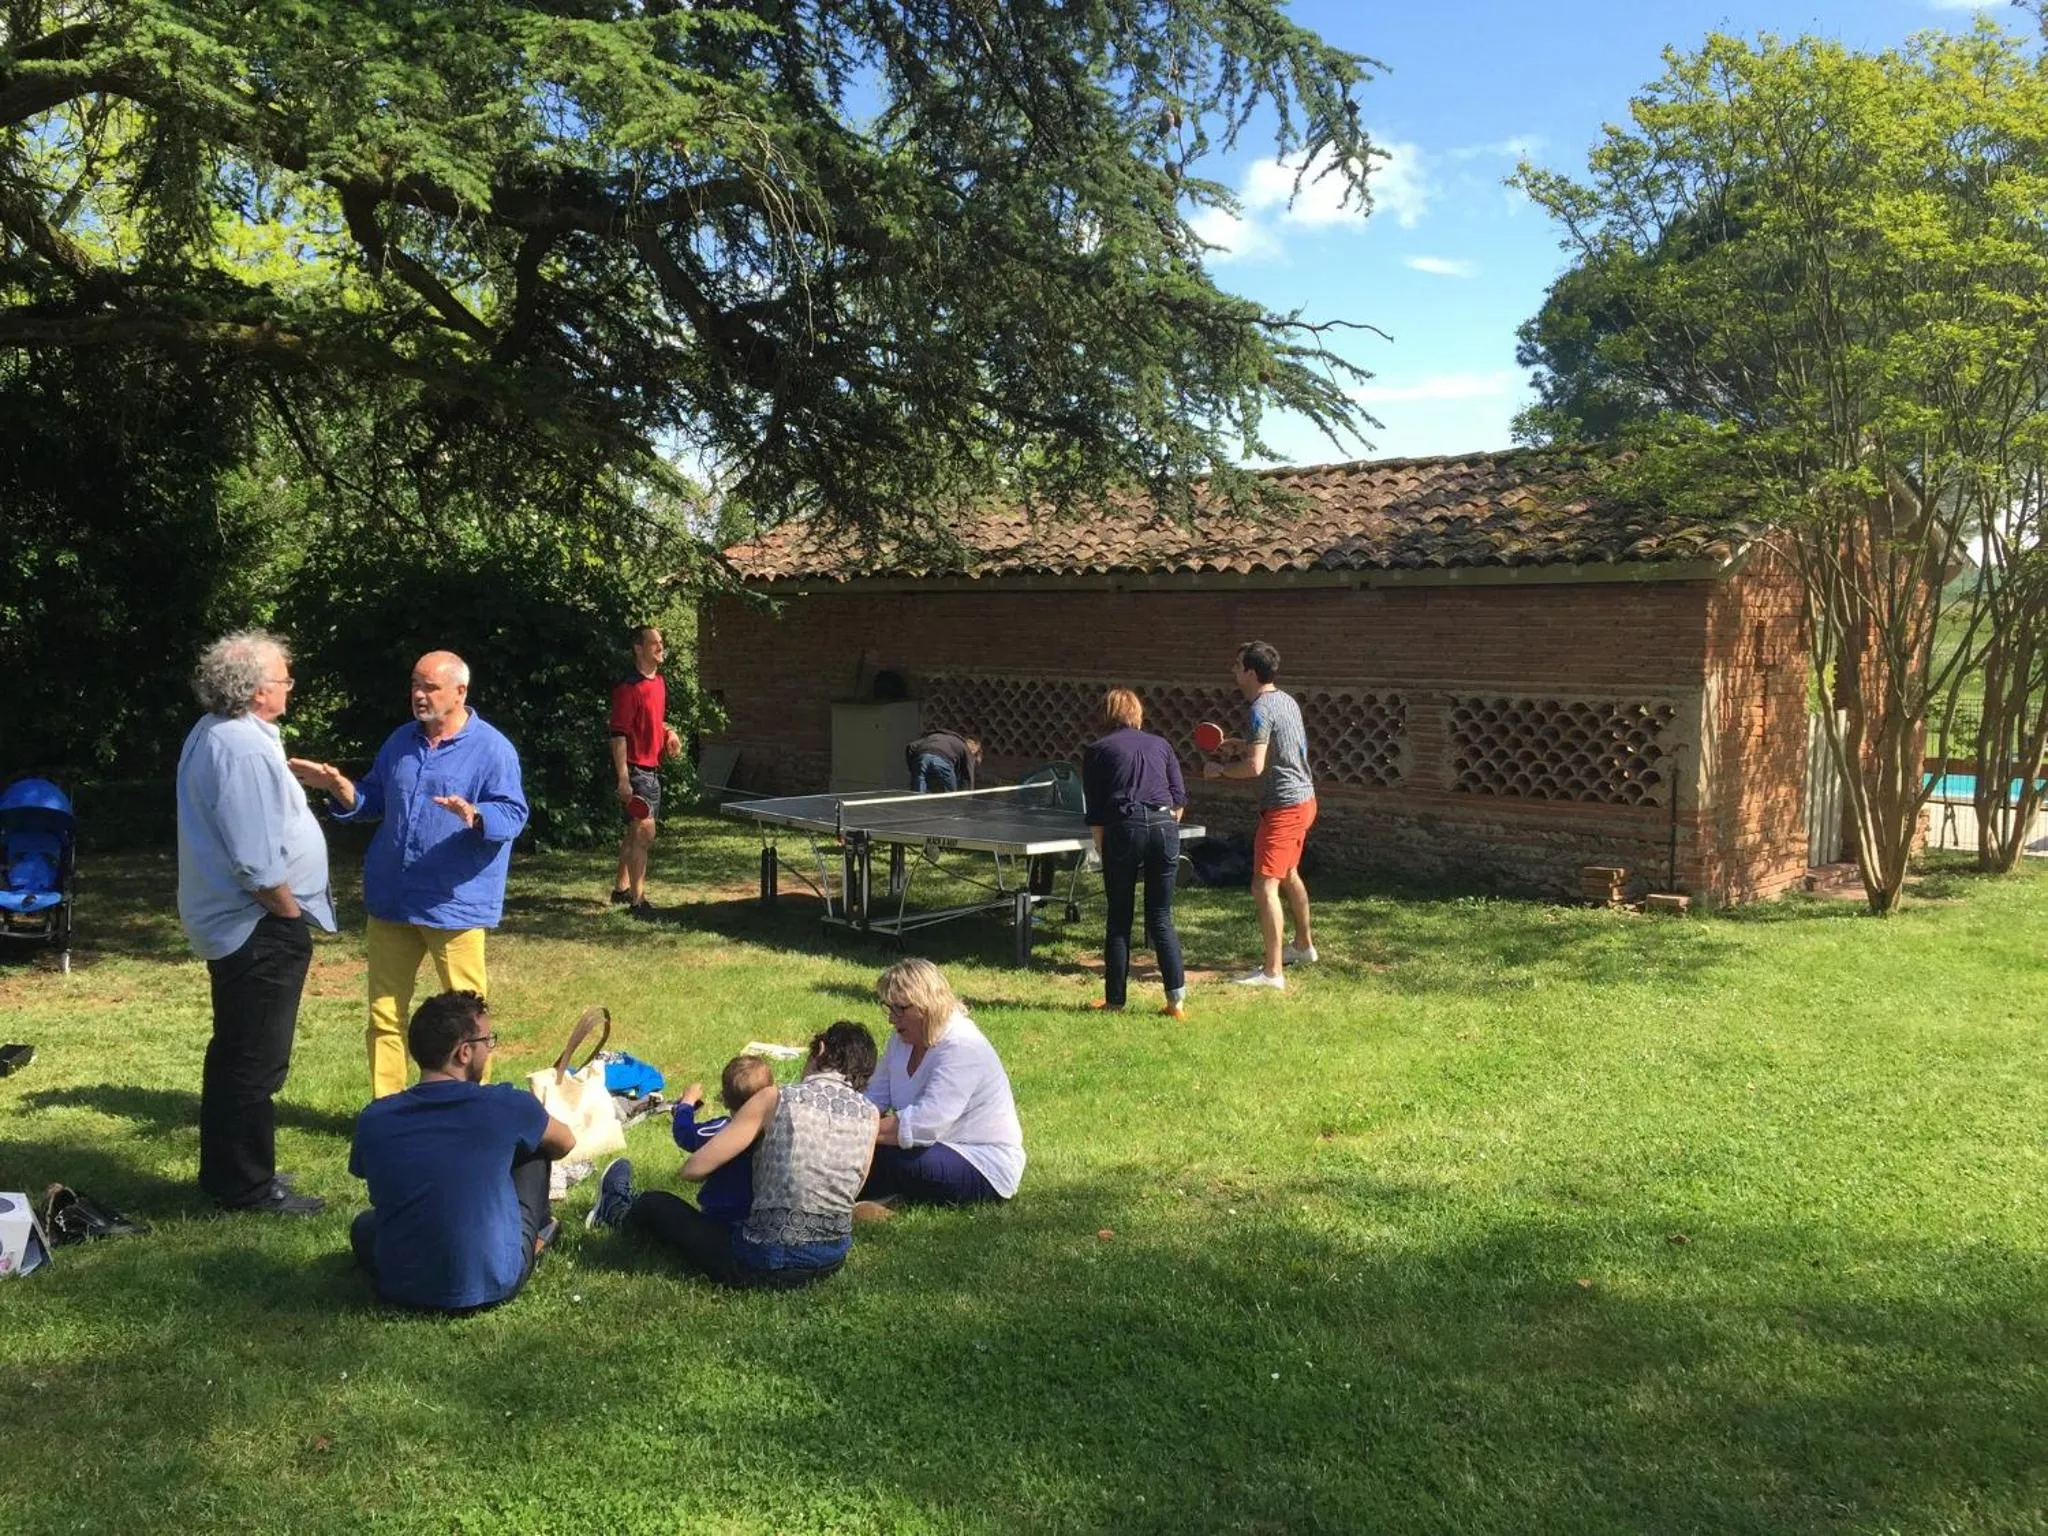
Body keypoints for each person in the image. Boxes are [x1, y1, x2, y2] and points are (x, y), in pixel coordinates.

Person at [289, 650, 530, 1098]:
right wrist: (339, 787)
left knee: (468, 1020)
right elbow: (373, 799)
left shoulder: (492, 748)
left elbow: (513, 813)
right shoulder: (401, 740)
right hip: (392, 899)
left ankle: (471, 1109)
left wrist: (476, 815)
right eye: (415, 686)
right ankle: (388, 1109)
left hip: (453, 904)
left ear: (461, 692)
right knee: (384, 1015)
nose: (419, 695)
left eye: (430, 687)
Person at [176, 631, 339, 1216]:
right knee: (255, 1060)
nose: (289, 685)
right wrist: (288, 911)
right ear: (256, 689)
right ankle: (246, 1185)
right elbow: (253, 857)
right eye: (283, 678)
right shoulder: (239, 745)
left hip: (243, 922)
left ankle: (229, 1171)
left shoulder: (221, 734)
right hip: (256, 923)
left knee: (236, 1052)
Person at [589, 1022, 880, 1290]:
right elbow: (856, 1184)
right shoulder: (871, 1115)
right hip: (831, 1259)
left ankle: (616, 1210)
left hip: (765, 1261)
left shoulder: (777, 1098)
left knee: (656, 1203)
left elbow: (694, 1169)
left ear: (820, 1051)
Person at [348, 991, 576, 1313]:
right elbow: (565, 1142)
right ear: (464, 1052)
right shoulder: (506, 1105)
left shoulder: (375, 1117)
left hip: (398, 1284)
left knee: (364, 1226)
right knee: (537, 1148)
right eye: (488, 1041)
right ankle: (538, 1233)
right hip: (493, 1282)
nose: (490, 1049)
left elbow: (364, 1170)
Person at [855, 958, 1024, 1218]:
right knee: (866, 1149)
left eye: (900, 1009)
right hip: (930, 1147)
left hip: (981, 1162)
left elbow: (927, 1123)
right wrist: (847, 1119)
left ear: (926, 1006)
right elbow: (874, 1096)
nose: (891, 1018)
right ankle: (872, 1197)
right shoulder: (901, 1040)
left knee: (886, 1158)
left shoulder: (963, 1046)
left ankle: (848, 1198)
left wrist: (855, 1131)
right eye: (888, 1007)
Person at [1203, 640, 1317, 989]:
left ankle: (1272, 972)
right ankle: (1303, 946)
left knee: (1263, 885)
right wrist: (1242, 743)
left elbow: (1254, 767)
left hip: (1283, 807)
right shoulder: (1285, 700)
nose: (1233, 671)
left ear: (1251, 672)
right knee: (1289, 874)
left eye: (1237, 666)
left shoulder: (1259, 710)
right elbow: (1272, 747)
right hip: (1306, 800)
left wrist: (1219, 771)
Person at [1081, 688, 1189, 1019]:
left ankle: (1115, 1001)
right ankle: (1176, 1003)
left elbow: (1097, 811)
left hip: (1123, 827)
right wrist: (1163, 828)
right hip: (1164, 826)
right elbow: (1179, 800)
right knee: (1160, 916)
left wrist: (1103, 847)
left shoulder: (1097, 750)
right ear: (1138, 713)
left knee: (1119, 917)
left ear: (1108, 714)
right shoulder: (1162, 745)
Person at [608, 624, 685, 916]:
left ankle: (620, 889)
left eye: (661, 642)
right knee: (645, 832)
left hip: (652, 769)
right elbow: (618, 736)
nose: (660, 647)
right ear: (638, 649)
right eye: (654, 643)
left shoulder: (659, 683)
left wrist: (670, 733)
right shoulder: (628, 689)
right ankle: (638, 902)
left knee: (633, 833)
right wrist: (624, 779)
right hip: (635, 770)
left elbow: (655, 722)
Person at [671, 1054, 775, 1227]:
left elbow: (685, 1134)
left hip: (719, 1215)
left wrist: (686, 1103)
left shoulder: (722, 1130)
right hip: (762, 1218)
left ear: (724, 1100)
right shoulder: (778, 1130)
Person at [904, 729, 981, 793]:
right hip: (942, 760)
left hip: (921, 758)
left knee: (918, 793)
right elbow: (968, 776)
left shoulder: (934, 736)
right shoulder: (964, 747)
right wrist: (967, 799)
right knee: (951, 795)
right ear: (971, 744)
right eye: (973, 751)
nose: (972, 754)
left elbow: (911, 746)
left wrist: (913, 768)